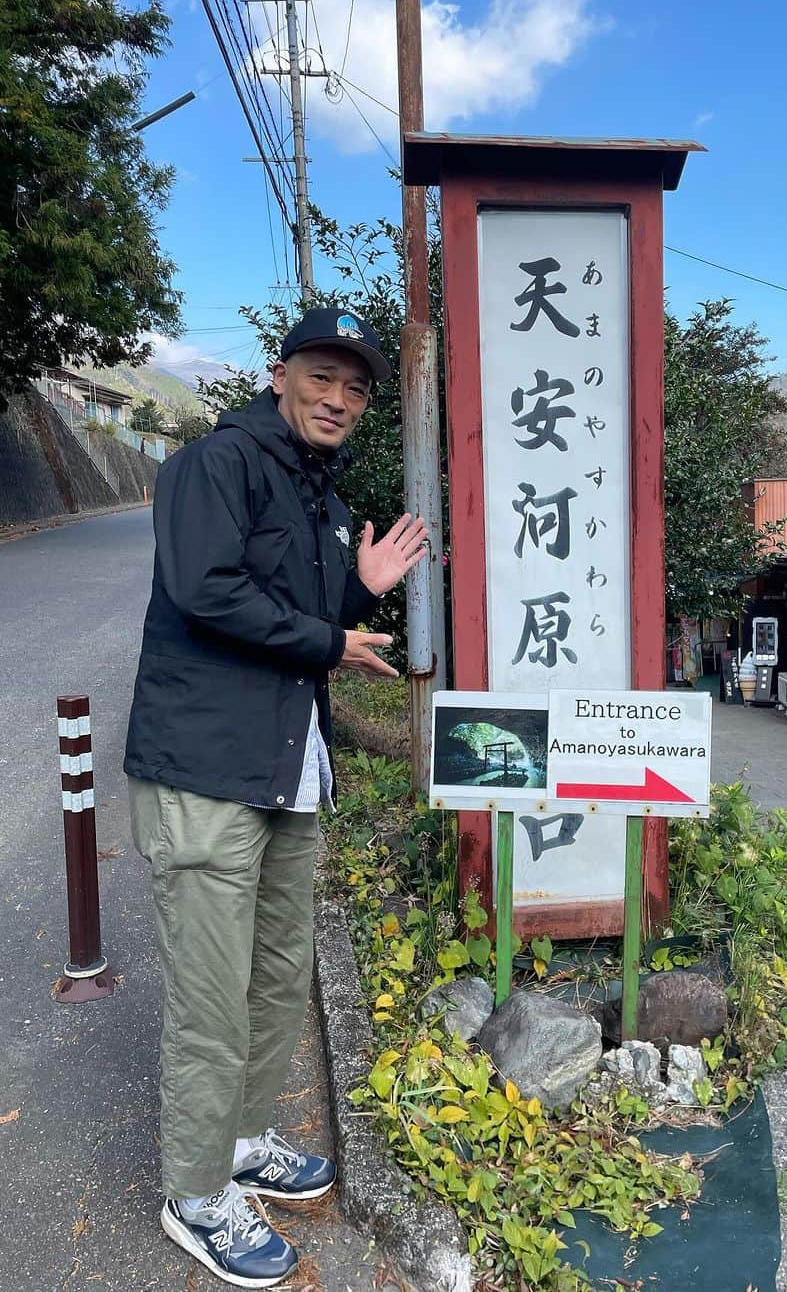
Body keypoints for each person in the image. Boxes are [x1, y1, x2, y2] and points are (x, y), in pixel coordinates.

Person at [124, 308, 428, 1287]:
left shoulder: (316, 495)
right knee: (213, 999)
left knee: (272, 977)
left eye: (357, 387)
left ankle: (246, 1141)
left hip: (286, 769)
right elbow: (205, 590)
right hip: (206, 771)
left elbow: (295, 620)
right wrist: (330, 641)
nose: (339, 399)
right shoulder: (217, 465)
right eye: (322, 377)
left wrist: (355, 593)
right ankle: (196, 1194)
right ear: (279, 373)